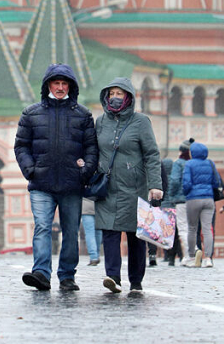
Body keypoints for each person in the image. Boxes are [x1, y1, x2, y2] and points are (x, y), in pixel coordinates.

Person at [14, 63, 98, 291]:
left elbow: (91, 147)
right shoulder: (31, 113)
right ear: (48, 85)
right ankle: (41, 273)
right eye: (56, 83)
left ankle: (67, 275)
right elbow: (21, 146)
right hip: (41, 183)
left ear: (70, 86)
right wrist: (31, 170)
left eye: (64, 83)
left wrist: (85, 170)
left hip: (72, 183)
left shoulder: (82, 114)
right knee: (42, 226)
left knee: (70, 230)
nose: (60, 87)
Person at [94, 77, 162, 293]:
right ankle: (112, 277)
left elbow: (152, 154)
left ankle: (136, 281)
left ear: (128, 97)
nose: (114, 98)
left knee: (135, 235)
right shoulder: (101, 122)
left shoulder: (141, 122)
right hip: (108, 187)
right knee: (109, 232)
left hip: (135, 188)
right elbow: (93, 150)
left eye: (119, 94)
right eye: (111, 94)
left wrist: (155, 184)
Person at [182, 142, 221, 268]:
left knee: (192, 228)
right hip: (208, 199)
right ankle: (208, 258)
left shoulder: (189, 164)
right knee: (207, 228)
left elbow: (186, 183)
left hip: (193, 199)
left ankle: (193, 256)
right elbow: (217, 182)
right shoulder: (210, 163)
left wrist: (188, 192)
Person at [167, 139, 194, 265]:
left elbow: (174, 181)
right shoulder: (195, 163)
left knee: (183, 228)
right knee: (193, 228)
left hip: (181, 199)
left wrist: (171, 195)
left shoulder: (179, 163)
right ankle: (194, 252)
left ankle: (190, 254)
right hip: (195, 199)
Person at [81, 198, 101, 266]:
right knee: (98, 232)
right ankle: (97, 255)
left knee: (89, 233)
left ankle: (93, 257)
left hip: (86, 205)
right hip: (100, 204)